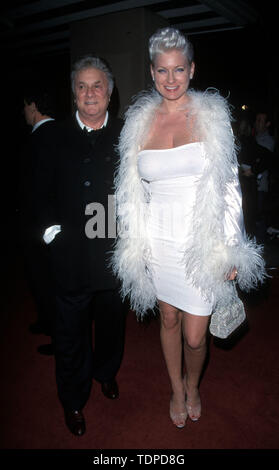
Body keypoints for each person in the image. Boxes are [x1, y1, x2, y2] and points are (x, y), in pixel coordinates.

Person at [112, 27, 265, 429]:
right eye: (162, 71)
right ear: (152, 72)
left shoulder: (211, 117)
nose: (171, 79)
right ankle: (176, 390)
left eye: (179, 69)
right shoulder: (139, 124)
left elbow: (230, 184)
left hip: (200, 240)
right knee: (167, 319)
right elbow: (130, 193)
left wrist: (231, 247)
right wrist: (134, 243)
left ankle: (193, 383)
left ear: (192, 69)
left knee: (196, 336)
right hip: (157, 240)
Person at [35, 56, 127, 436]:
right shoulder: (51, 136)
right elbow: (35, 193)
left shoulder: (126, 133)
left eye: (97, 86)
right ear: (74, 95)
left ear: (109, 93)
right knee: (70, 332)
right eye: (82, 87)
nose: (90, 94)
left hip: (113, 249)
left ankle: (106, 372)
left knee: (110, 323)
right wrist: (51, 235)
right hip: (71, 253)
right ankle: (73, 399)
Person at [20, 85, 57, 355]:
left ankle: (57, 336)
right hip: (54, 224)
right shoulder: (63, 133)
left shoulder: (35, 140)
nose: (23, 112)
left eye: (24, 106)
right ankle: (47, 322)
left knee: (46, 282)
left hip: (41, 227)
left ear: (32, 106)